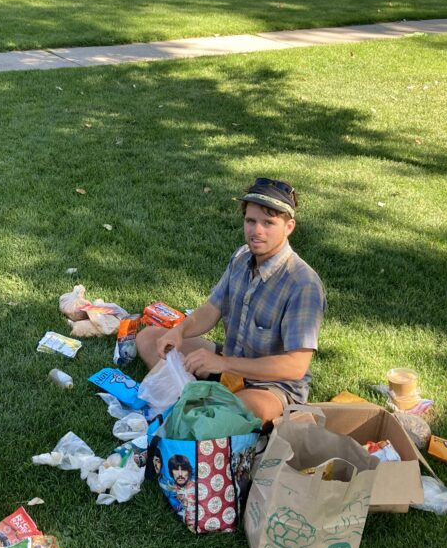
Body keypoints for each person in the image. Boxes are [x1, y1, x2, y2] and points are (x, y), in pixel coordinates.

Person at [137, 177, 325, 424]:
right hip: (227, 363)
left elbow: (295, 367)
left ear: (289, 226)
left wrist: (223, 363)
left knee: (233, 412)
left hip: (270, 387)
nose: (257, 231)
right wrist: (179, 331)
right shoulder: (242, 256)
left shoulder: (303, 284)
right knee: (150, 338)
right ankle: (201, 402)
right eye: (251, 221)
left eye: (268, 223)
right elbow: (211, 309)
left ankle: (198, 403)